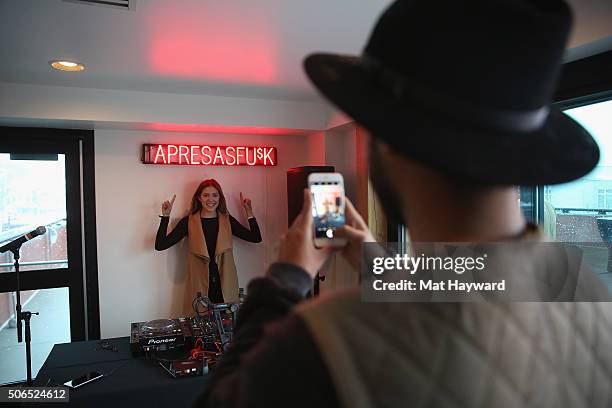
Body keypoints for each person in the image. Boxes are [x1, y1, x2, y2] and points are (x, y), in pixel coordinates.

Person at [195, 1, 612, 407]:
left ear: (386, 144)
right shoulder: (585, 287)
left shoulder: (326, 338)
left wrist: (284, 280)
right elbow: (484, 281)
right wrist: (377, 264)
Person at [155, 179, 261, 313]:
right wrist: (165, 217)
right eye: (206, 195)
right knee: (201, 326)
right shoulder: (188, 222)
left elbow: (255, 238)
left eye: (215, 195)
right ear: (199, 198)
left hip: (225, 283)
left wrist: (249, 212)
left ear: (220, 198)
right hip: (200, 284)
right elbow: (160, 245)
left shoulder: (227, 220)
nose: (211, 199)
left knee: (226, 324)